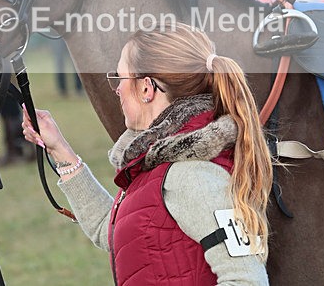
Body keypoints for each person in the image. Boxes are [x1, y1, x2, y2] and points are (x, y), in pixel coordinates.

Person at [22, 24, 272, 284]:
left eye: (120, 78)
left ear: (146, 88)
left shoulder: (193, 175)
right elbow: (117, 230)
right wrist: (60, 150)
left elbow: (247, 280)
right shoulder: (160, 163)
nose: (117, 89)